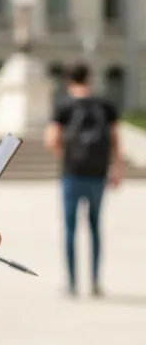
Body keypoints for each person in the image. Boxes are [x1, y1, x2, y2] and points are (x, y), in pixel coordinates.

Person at [45, 62, 123, 297]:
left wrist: (67, 155)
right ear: (89, 79)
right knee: (95, 227)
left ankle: (71, 283)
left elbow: (51, 140)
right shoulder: (105, 106)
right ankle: (95, 281)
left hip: (72, 173)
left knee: (70, 229)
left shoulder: (64, 106)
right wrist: (116, 168)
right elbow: (115, 140)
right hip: (98, 174)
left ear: (69, 81)